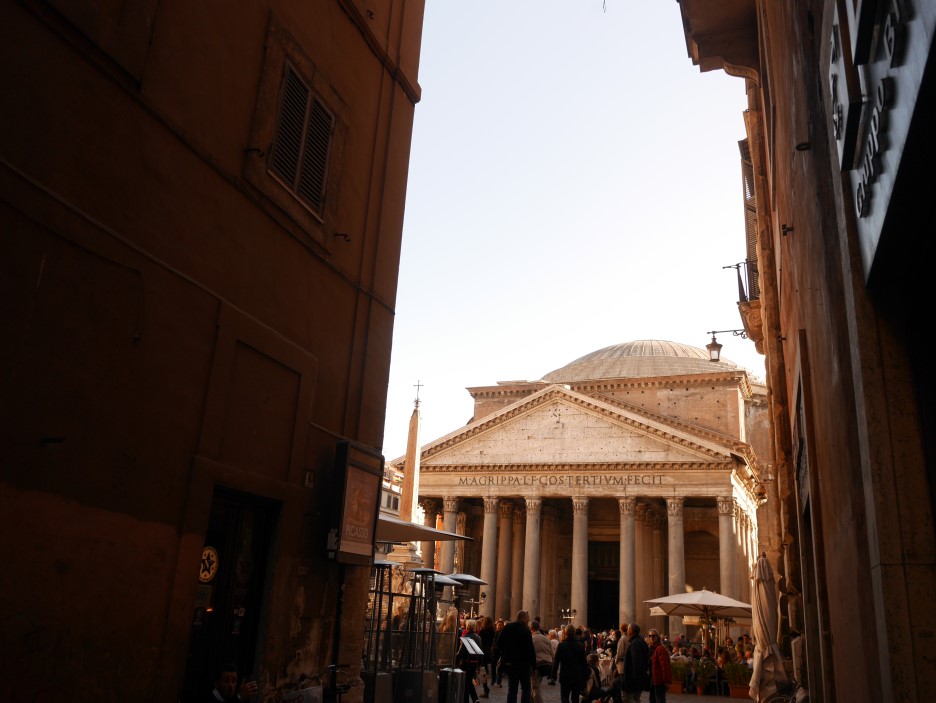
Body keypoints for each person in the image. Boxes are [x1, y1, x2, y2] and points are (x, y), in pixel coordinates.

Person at [496, 610, 536, 703]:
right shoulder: (526, 630)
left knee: (512, 689)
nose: (529, 619)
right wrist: (534, 666)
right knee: (526, 688)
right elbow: (530, 649)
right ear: (523, 618)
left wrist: (506, 652)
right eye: (528, 617)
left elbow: (499, 643)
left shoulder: (508, 627)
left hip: (511, 663)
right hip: (524, 664)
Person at [551, 623, 588, 703]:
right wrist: (586, 676)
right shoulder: (580, 646)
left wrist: (553, 675)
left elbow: (556, 661)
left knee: (564, 697)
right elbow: (584, 663)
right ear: (574, 632)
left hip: (565, 676)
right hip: (577, 676)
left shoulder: (561, 645)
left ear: (565, 632)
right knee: (575, 699)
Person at [456, 619, 485, 703]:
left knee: (466, 683)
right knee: (468, 682)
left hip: (466, 663)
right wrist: (480, 663)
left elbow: (461, 652)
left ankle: (467, 700)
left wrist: (456, 659)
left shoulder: (466, 637)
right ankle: (475, 699)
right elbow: (481, 651)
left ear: (467, 627)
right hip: (474, 663)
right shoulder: (478, 637)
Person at [621, 623, 650, 702]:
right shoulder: (640, 642)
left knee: (627, 699)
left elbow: (636, 662)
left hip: (632, 679)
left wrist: (634, 679)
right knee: (636, 699)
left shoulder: (635, 643)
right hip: (637, 678)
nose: (627, 631)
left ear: (630, 631)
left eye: (628, 629)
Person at [531, 620, 554, 703]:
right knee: (535, 686)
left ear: (531, 628)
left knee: (535, 687)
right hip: (545, 665)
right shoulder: (546, 639)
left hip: (535, 665)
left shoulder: (531, 638)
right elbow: (552, 654)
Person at [648, 632, 672, 703]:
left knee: (660, 700)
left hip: (659, 680)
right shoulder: (650, 649)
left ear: (657, 637)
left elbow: (665, 666)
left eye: (653, 636)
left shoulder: (660, 649)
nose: (651, 638)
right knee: (652, 700)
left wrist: (666, 681)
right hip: (653, 680)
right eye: (650, 636)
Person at [477, 615, 497, 698]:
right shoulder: (493, 631)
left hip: (482, 652)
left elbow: (479, 641)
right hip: (488, 652)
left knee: (482, 671)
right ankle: (485, 688)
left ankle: (486, 689)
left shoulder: (483, 631)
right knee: (484, 671)